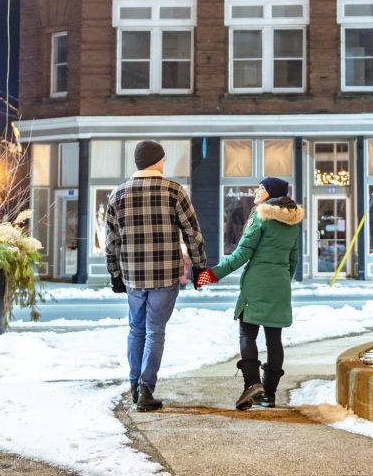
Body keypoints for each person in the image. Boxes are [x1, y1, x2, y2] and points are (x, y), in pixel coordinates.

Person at [105, 140, 207, 412]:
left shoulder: (118, 194)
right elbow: (192, 234)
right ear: (158, 161)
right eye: (163, 159)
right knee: (155, 331)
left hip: (133, 275)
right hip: (165, 274)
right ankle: (146, 389)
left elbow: (111, 240)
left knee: (136, 328)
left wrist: (114, 273)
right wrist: (200, 269)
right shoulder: (174, 191)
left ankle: (134, 383)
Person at [197, 177, 303, 410]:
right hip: (280, 285)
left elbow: (242, 253)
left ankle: (252, 384)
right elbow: (293, 259)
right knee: (274, 339)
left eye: (261, 189)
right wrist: (282, 278)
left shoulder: (261, 216)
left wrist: (210, 275)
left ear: (270, 193)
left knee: (247, 335)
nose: (257, 192)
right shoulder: (293, 221)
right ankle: (270, 394)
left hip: (256, 284)